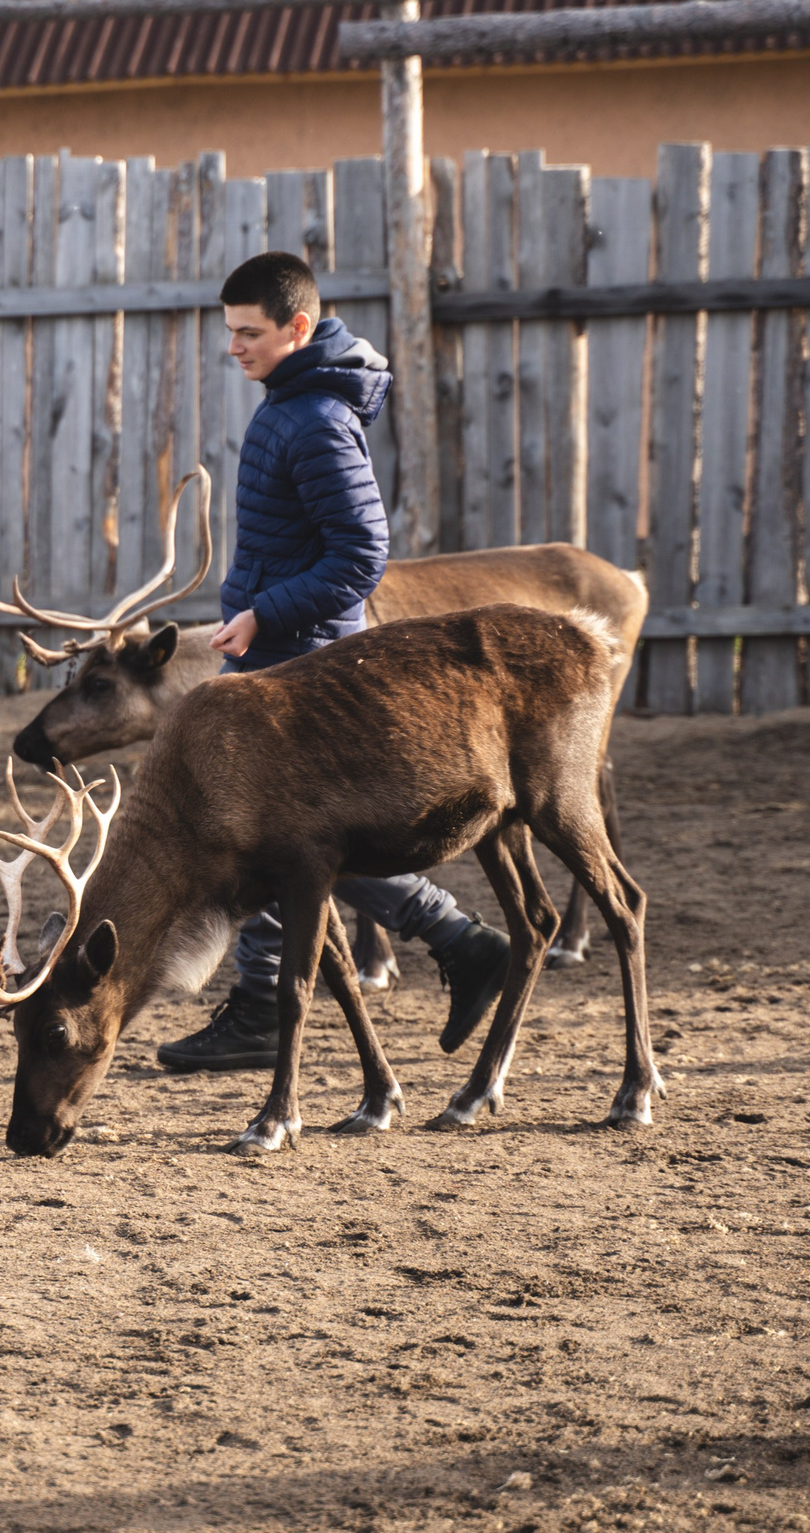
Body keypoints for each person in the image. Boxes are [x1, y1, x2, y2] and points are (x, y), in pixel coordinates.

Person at [156, 250, 511, 1073]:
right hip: (273, 655)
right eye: (230, 332)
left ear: (299, 327)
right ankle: (260, 1002)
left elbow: (363, 553)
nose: (235, 347)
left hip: (302, 664)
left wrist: (263, 615)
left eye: (250, 333)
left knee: (288, 842)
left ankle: (459, 940)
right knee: (272, 841)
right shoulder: (287, 402)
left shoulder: (315, 418)